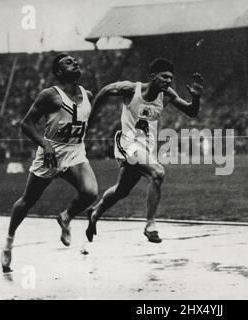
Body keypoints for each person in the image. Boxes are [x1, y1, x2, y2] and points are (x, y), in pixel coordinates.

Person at [85, 58, 203, 243]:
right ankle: (150, 225)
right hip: (127, 144)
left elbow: (192, 112)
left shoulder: (168, 94)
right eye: (164, 77)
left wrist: (195, 97)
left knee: (122, 190)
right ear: (152, 76)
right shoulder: (132, 89)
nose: (168, 81)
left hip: (145, 149)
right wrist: (90, 120)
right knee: (157, 173)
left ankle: (95, 212)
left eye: (171, 77)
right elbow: (104, 91)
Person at [1, 53, 98, 272]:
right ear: (59, 72)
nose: (76, 62)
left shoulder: (88, 94)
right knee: (28, 200)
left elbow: (80, 120)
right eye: (68, 62)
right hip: (50, 153)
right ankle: (8, 241)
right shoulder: (50, 95)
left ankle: (66, 217)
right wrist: (45, 144)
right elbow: (26, 124)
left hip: (75, 152)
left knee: (91, 192)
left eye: (76, 60)